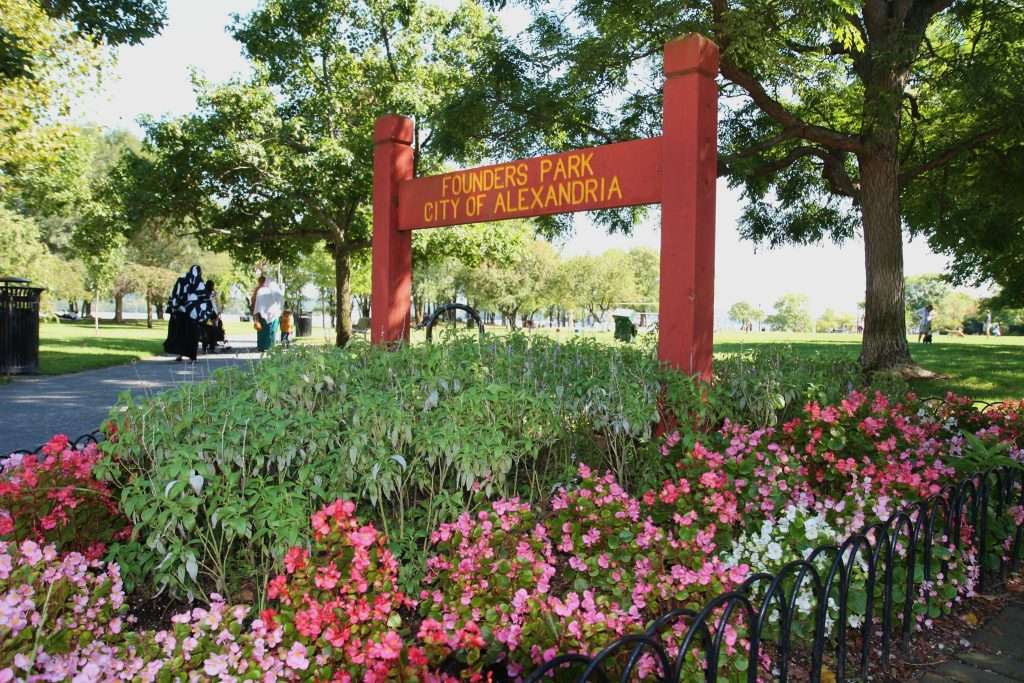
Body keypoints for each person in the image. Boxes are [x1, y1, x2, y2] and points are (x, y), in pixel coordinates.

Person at [164, 265, 214, 362]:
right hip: (192, 315)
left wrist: (175, 307)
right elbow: (204, 298)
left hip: (180, 313)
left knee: (180, 333)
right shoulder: (199, 282)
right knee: (192, 336)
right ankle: (192, 357)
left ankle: (179, 355)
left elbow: (175, 295)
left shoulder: (181, 280)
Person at [252, 274, 284, 352]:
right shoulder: (273, 290)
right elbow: (280, 300)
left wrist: (255, 315)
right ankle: (270, 346)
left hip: (261, 314)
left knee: (262, 332)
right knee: (271, 332)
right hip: (273, 315)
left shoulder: (259, 291)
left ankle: (262, 346)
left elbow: (255, 304)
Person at [201, 279, 226, 354]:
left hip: (204, 314)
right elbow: (218, 304)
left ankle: (204, 348)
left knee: (205, 332)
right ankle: (212, 347)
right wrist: (219, 314)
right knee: (213, 331)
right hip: (213, 314)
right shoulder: (214, 293)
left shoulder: (203, 293)